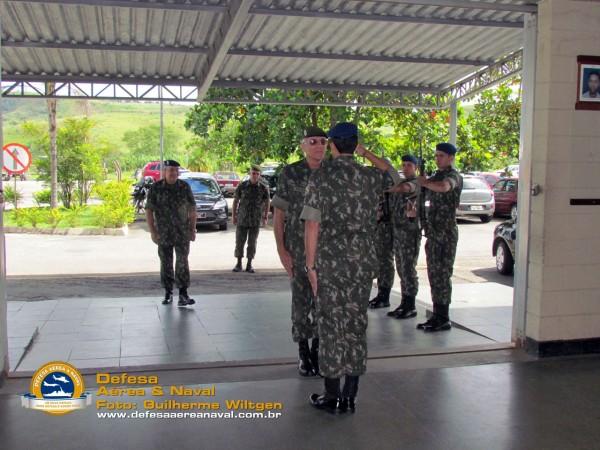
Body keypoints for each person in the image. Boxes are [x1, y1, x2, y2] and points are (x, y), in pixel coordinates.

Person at [301, 122, 401, 414]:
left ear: (332, 145)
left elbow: (312, 224)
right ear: (354, 144)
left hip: (330, 264)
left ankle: (331, 396)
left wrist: (310, 266)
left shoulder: (319, 177)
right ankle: (350, 396)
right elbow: (394, 175)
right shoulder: (371, 176)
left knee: (331, 327)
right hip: (362, 262)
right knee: (356, 325)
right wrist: (366, 152)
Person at [272, 126, 327, 377]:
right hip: (297, 249)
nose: (319, 145)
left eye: (323, 141)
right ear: (303, 145)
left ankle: (318, 349)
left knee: (323, 303)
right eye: (313, 141)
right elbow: (279, 213)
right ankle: (304, 352)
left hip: (328, 249)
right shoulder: (291, 173)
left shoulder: (334, 172)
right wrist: (281, 249)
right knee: (301, 302)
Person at [416, 143, 463, 332]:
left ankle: (443, 317)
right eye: (436, 155)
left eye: (441, 155)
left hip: (446, 233)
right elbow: (422, 192)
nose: (438, 159)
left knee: (443, 274)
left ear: (451, 157)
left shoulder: (453, 177)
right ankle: (437, 315)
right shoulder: (436, 176)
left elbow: (444, 188)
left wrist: (425, 182)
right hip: (434, 233)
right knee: (434, 274)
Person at [145, 160, 197, 307]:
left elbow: (192, 209)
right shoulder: (156, 188)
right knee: (166, 263)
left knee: (182, 262)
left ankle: (183, 294)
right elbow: (149, 211)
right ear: (164, 172)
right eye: (170, 170)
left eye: (175, 170)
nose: (173, 173)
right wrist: (153, 231)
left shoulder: (184, 187)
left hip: (182, 233)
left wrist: (193, 229)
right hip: (164, 233)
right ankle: (168, 293)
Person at [386, 154, 421, 320]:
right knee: (401, 268)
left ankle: (411, 305)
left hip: (410, 232)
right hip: (399, 232)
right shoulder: (400, 182)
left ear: (416, 167)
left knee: (408, 269)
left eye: (409, 165)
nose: (405, 167)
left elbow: (405, 189)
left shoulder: (416, 183)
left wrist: (389, 189)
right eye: (404, 164)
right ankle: (404, 302)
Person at [232, 164, 270, 273]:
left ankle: (249, 264)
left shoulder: (263, 188)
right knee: (239, 242)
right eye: (253, 173)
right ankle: (238, 264)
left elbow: (267, 202)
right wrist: (234, 216)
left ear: (260, 175)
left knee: (252, 243)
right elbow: (235, 201)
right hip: (242, 218)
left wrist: (265, 216)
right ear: (250, 173)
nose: (255, 175)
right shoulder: (242, 186)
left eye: (257, 174)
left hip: (255, 220)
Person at [368, 170, 395, 309]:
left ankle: (385, 295)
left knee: (386, 262)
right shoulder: (381, 192)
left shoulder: (392, 189)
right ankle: (381, 293)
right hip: (380, 228)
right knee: (380, 261)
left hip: (388, 228)